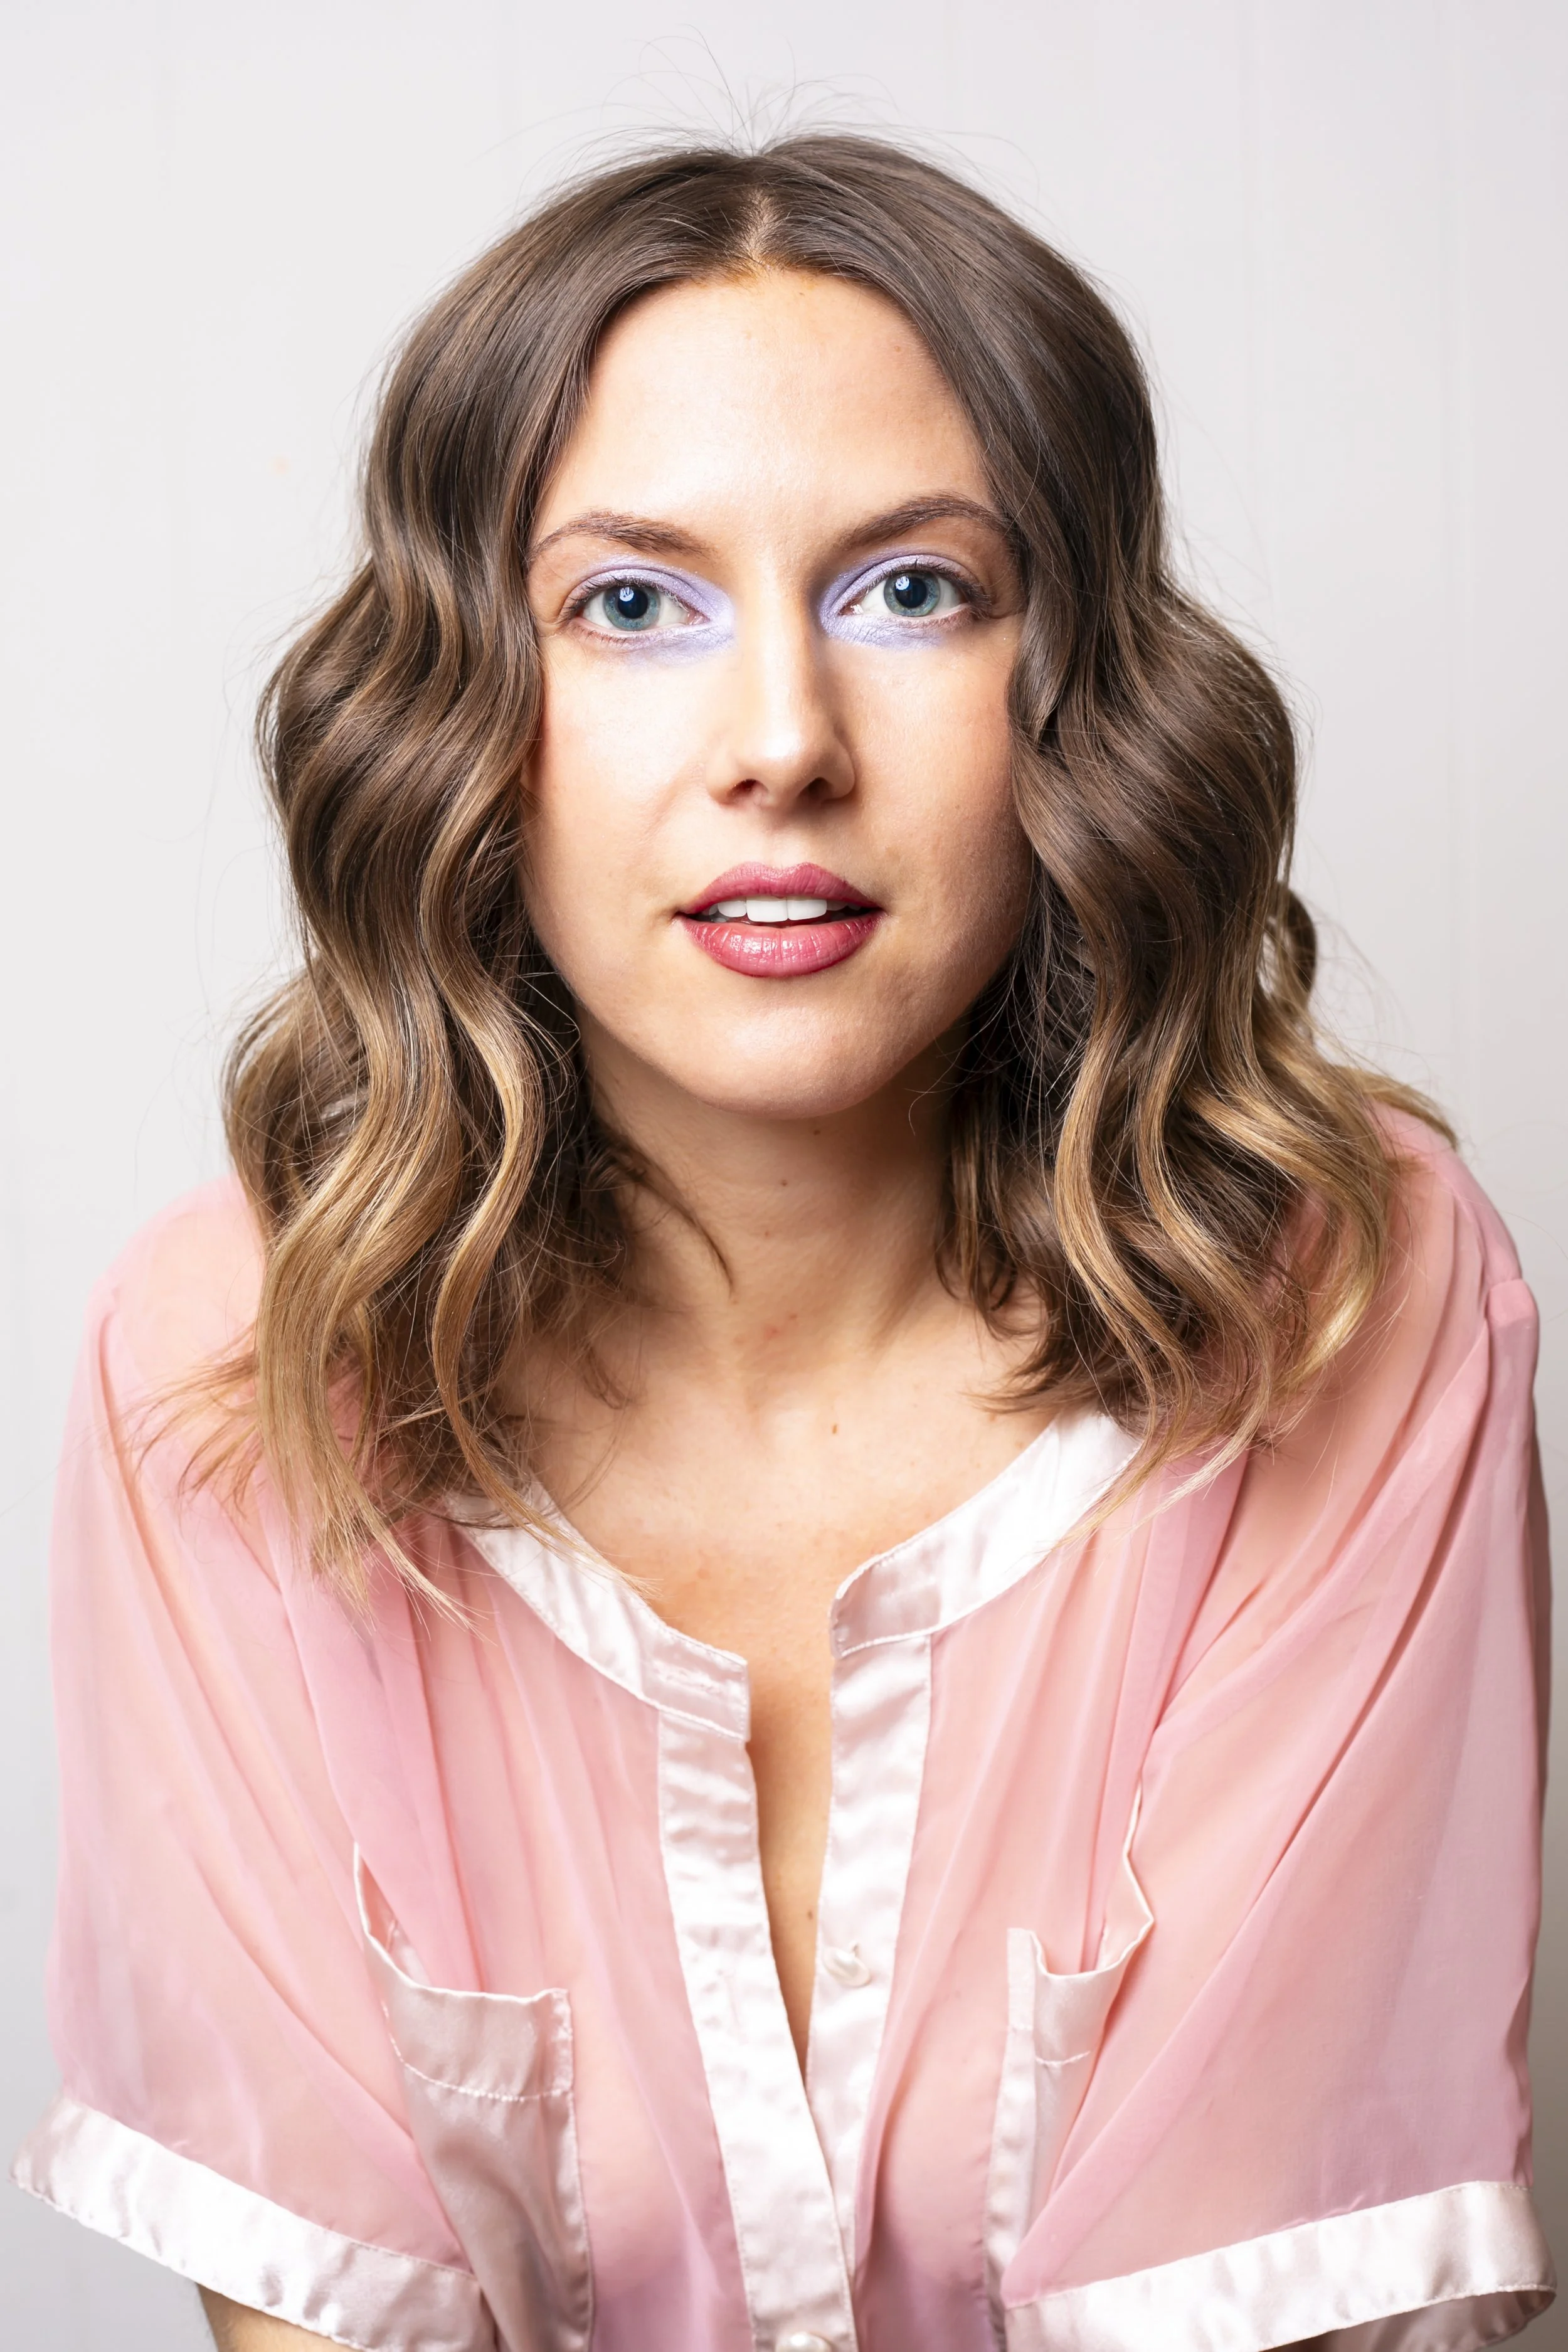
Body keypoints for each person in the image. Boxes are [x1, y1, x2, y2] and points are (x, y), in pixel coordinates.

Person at [11, 135, 1554, 2352]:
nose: (780, 746)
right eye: (632, 605)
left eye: (910, 591)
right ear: (463, 710)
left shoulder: (1340, 1305)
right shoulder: (234, 1363)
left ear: (1074, 687)